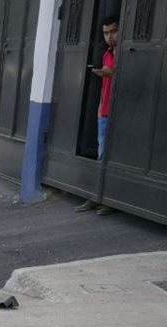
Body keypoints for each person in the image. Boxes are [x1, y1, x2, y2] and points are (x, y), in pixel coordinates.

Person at [76, 15, 119, 216]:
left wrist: (112, 72)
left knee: (113, 157)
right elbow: (104, 85)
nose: (110, 36)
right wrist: (100, 109)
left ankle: (108, 199)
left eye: (113, 31)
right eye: (106, 33)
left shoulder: (127, 53)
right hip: (104, 112)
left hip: (120, 114)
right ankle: (95, 196)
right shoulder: (107, 54)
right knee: (101, 156)